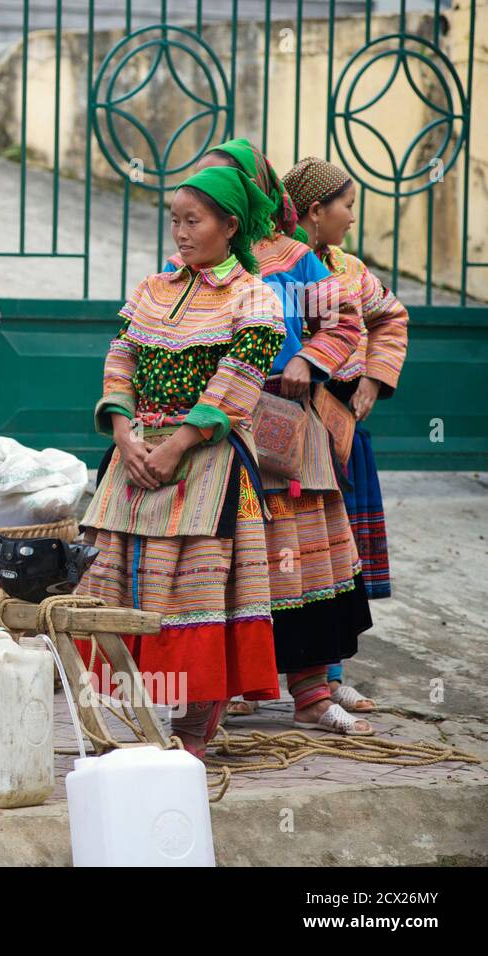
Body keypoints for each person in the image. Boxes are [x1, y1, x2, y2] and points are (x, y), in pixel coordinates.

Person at [73, 164, 285, 757]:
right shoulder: (152, 290)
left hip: (208, 462)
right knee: (118, 581)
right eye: (175, 221)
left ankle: (194, 725)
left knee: (198, 588)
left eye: (193, 221)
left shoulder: (255, 298)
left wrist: (176, 445)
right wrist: (122, 433)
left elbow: (237, 383)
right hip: (138, 454)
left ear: (230, 225)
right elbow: (121, 362)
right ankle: (135, 721)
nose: (181, 233)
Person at [165, 140, 364, 722]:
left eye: (231, 182)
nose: (220, 193)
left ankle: (310, 694)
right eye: (209, 184)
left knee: (296, 554)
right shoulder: (188, 265)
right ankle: (214, 697)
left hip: (283, 422)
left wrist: (308, 359)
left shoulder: (295, 257)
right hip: (219, 429)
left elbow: (346, 321)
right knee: (226, 561)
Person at [283, 156, 410, 715]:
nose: (353, 217)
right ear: (315, 210)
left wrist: (375, 381)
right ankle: (251, 680)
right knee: (279, 554)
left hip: (343, 435)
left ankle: (329, 678)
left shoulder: (353, 272)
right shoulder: (277, 267)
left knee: (337, 555)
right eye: (347, 205)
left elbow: (391, 318)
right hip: (284, 436)